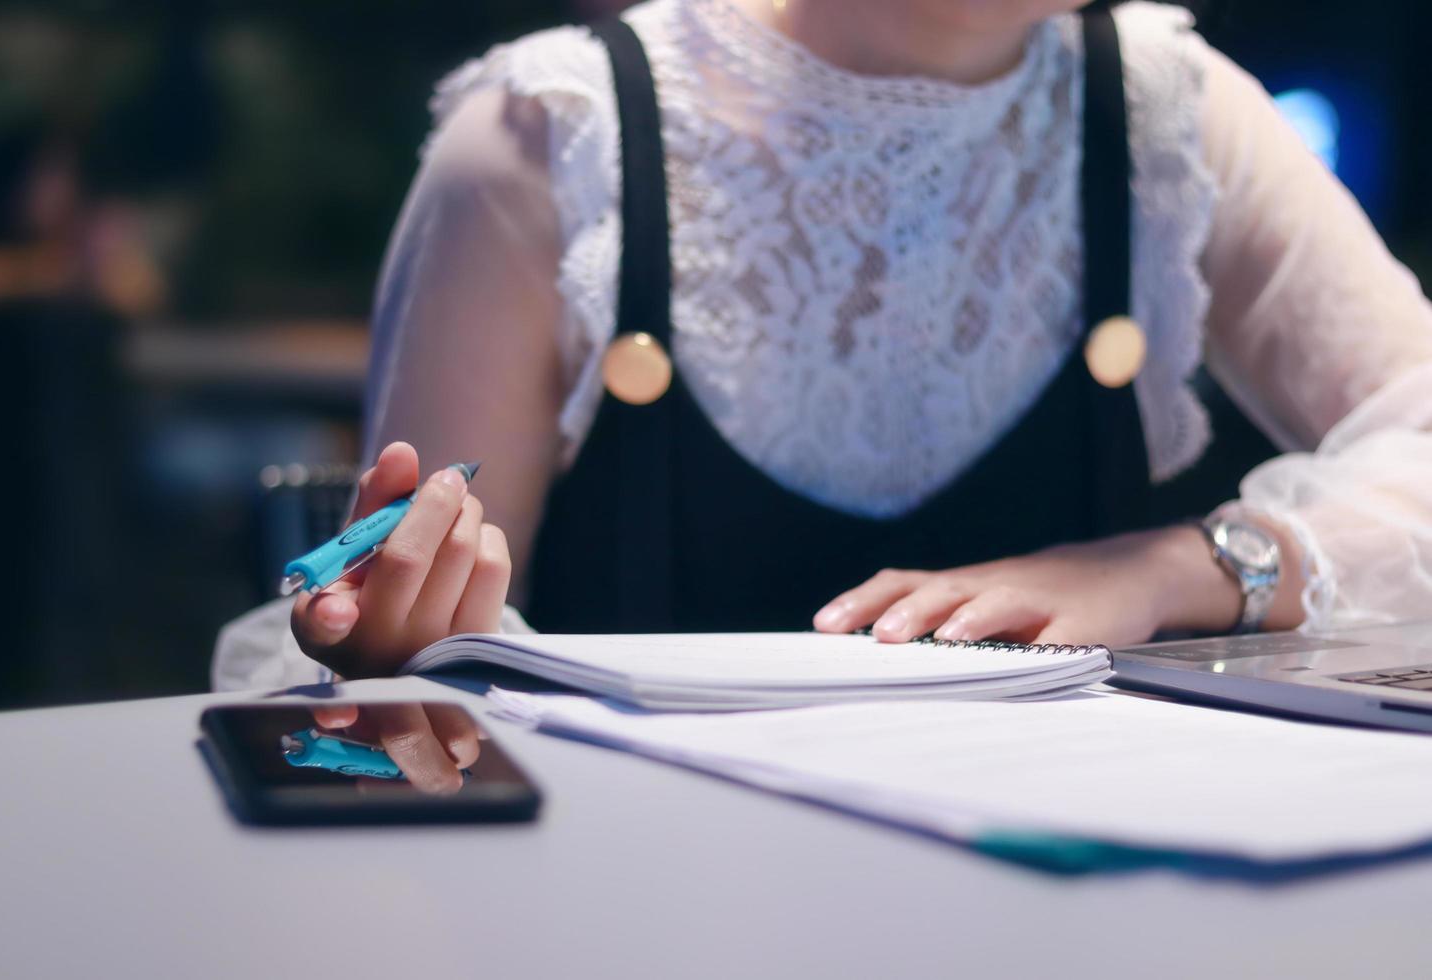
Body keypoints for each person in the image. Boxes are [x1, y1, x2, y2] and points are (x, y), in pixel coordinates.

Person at [214, 0, 1432, 690]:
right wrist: (382, 653)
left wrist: (1185, 563)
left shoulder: (1174, 117)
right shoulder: (553, 141)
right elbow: (381, 633)